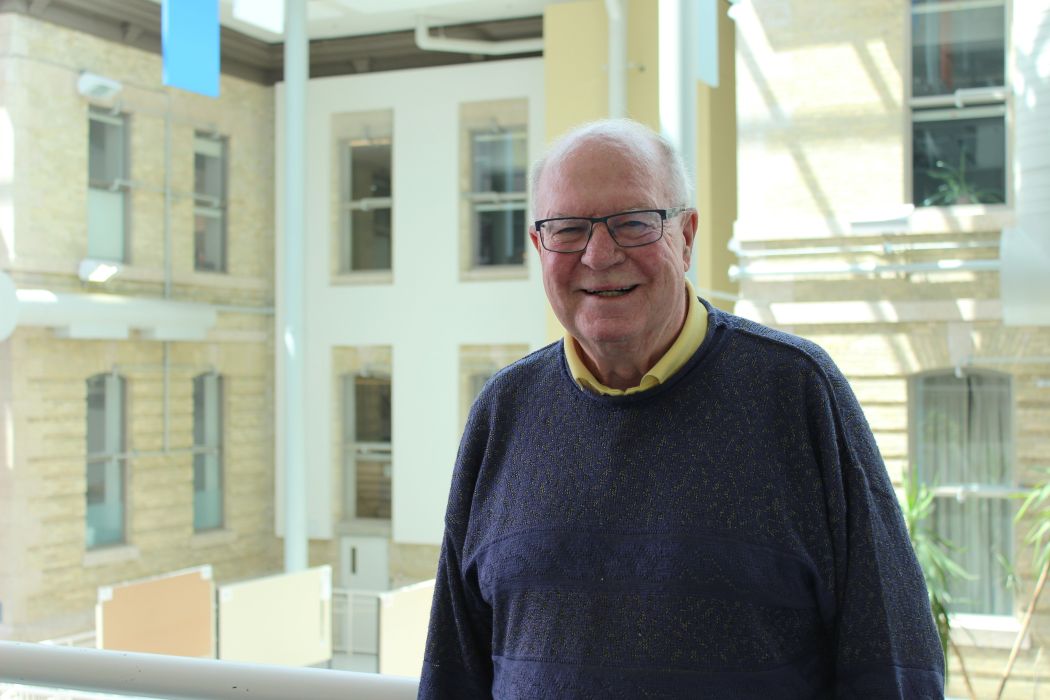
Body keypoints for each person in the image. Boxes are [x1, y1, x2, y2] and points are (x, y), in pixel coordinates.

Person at [418, 119, 944, 699]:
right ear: (539, 246)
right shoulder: (503, 413)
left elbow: (894, 666)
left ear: (687, 236)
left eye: (634, 224)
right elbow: (454, 670)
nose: (599, 254)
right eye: (568, 229)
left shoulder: (797, 393)